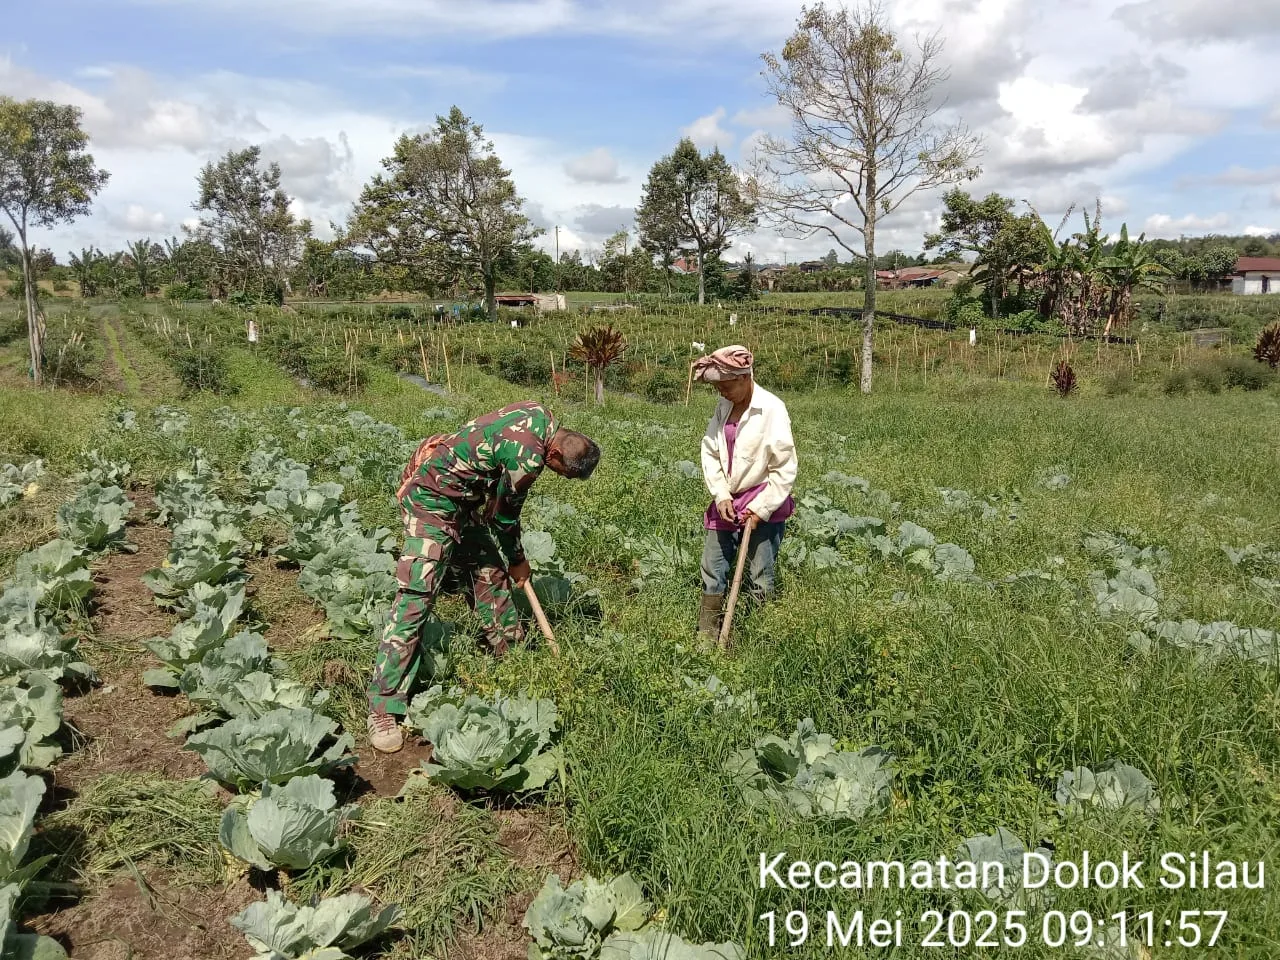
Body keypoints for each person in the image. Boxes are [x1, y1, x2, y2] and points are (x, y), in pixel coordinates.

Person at [366, 400, 601, 753]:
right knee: (417, 595)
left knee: (490, 575)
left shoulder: (541, 414)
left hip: (463, 498)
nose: (557, 477)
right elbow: (504, 519)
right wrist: (519, 559)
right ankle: (383, 706)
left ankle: (514, 659)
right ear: (553, 456)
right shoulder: (529, 460)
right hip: (432, 498)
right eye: (562, 473)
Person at [693, 345, 797, 641]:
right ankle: (707, 637)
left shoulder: (772, 408)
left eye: (725, 386)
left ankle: (756, 637)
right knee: (713, 567)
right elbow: (711, 450)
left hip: (764, 499)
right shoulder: (724, 407)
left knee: (760, 575)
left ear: (745, 377)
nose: (721, 392)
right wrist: (721, 495)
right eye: (716, 388)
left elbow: (784, 467)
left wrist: (761, 508)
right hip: (728, 500)